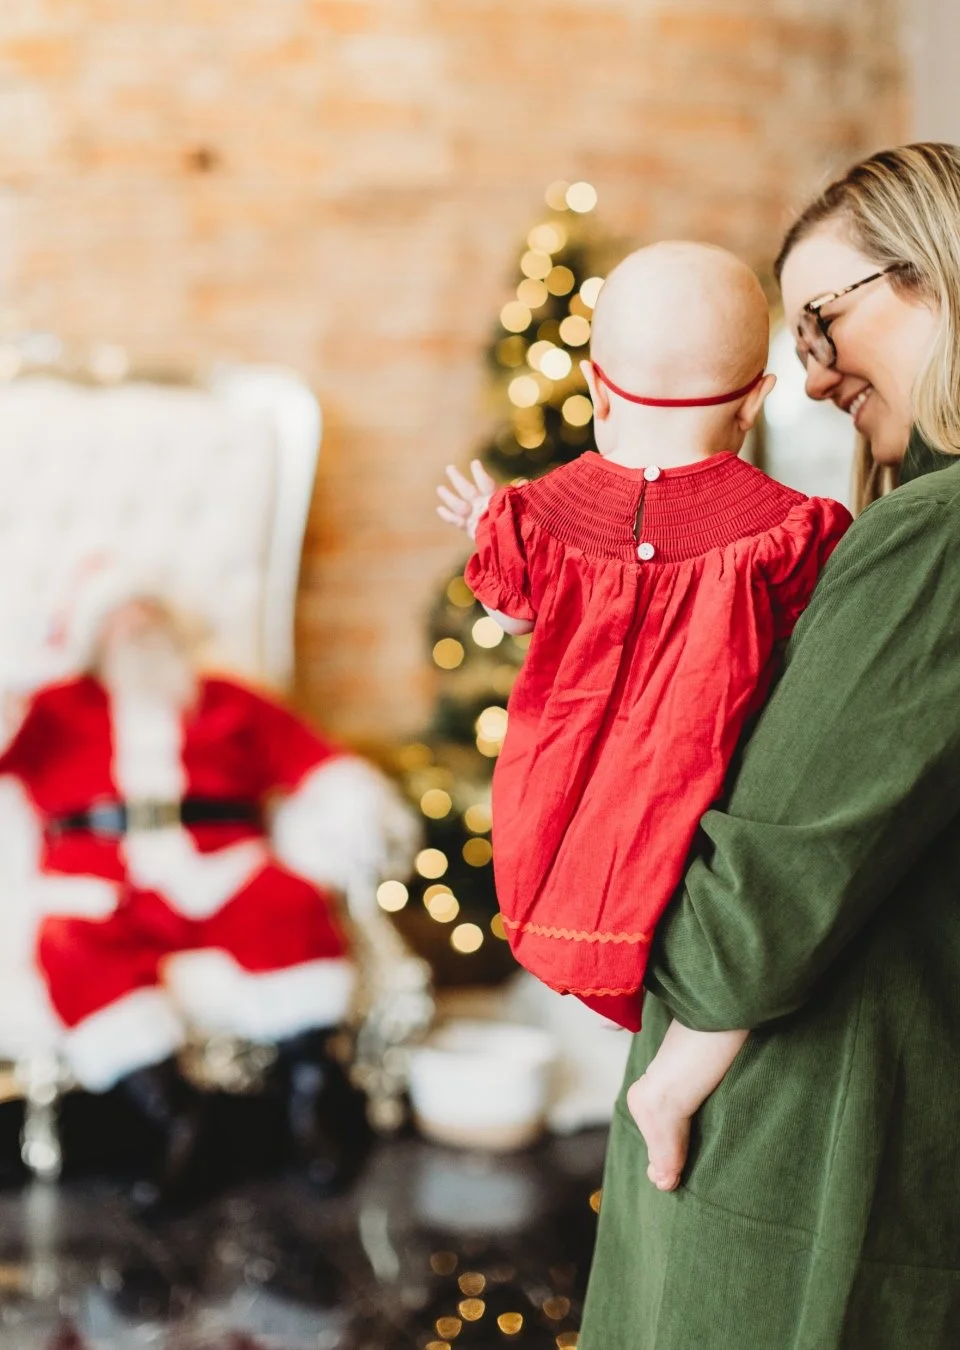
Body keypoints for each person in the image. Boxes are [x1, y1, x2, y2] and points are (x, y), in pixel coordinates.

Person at [578, 141, 960, 1349]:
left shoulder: (936, 537)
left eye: (822, 320)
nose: (810, 373)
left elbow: (738, 930)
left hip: (801, 1153)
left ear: (934, 273)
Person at [438, 241, 851, 1190]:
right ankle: (676, 1084)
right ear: (754, 401)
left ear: (596, 385)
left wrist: (489, 528)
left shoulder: (540, 512)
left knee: (609, 923)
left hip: (567, 803)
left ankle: (640, 1070)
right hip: (698, 793)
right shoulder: (788, 527)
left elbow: (512, 614)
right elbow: (815, 652)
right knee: (738, 928)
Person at [0, 560, 417, 1198]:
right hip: (100, 889)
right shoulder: (53, 708)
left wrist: (355, 807)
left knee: (292, 903)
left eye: (148, 617)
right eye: (118, 622)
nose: (136, 631)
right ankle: (179, 1120)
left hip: (222, 869)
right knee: (67, 947)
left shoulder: (228, 700)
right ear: (91, 640)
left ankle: (311, 1101)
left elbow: (319, 764)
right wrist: (7, 688)